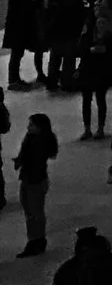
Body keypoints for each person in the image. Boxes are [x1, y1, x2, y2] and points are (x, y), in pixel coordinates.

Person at [13, 109, 55, 256]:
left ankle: (36, 239)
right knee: (31, 210)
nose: (28, 127)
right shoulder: (32, 139)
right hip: (31, 179)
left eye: (31, 125)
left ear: (40, 127)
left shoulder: (39, 142)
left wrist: (22, 161)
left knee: (34, 212)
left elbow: (34, 161)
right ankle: (36, 239)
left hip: (34, 181)